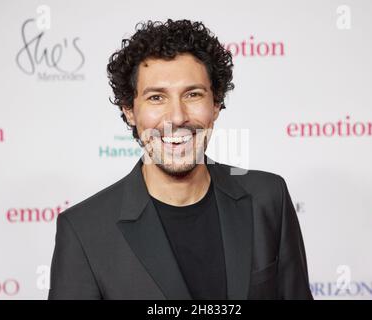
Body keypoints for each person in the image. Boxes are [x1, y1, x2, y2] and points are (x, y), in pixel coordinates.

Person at [48, 19, 313, 300]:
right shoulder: (84, 231)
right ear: (129, 110)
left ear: (216, 103)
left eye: (193, 94)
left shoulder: (268, 198)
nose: (177, 117)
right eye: (156, 98)